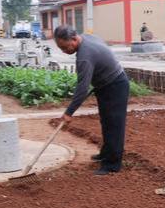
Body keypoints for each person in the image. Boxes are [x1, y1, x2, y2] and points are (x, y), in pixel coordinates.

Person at [54, 25, 129, 175]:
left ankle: (112, 165)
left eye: (65, 47)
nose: (64, 51)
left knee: (114, 125)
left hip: (115, 86)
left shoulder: (84, 57)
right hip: (105, 85)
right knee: (106, 121)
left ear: (74, 39)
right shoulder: (87, 37)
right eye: (61, 48)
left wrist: (69, 112)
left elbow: (82, 89)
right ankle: (106, 153)